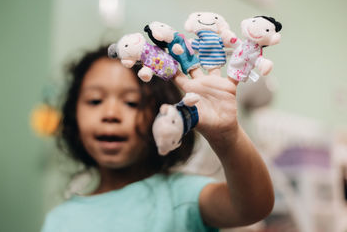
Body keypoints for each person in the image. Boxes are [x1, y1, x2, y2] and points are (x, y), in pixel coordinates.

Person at [41, 44, 274, 231]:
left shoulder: (182, 196)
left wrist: (227, 137)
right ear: (74, 115)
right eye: (94, 101)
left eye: (132, 102)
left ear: (162, 111)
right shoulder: (60, 220)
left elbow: (252, 207)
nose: (110, 114)